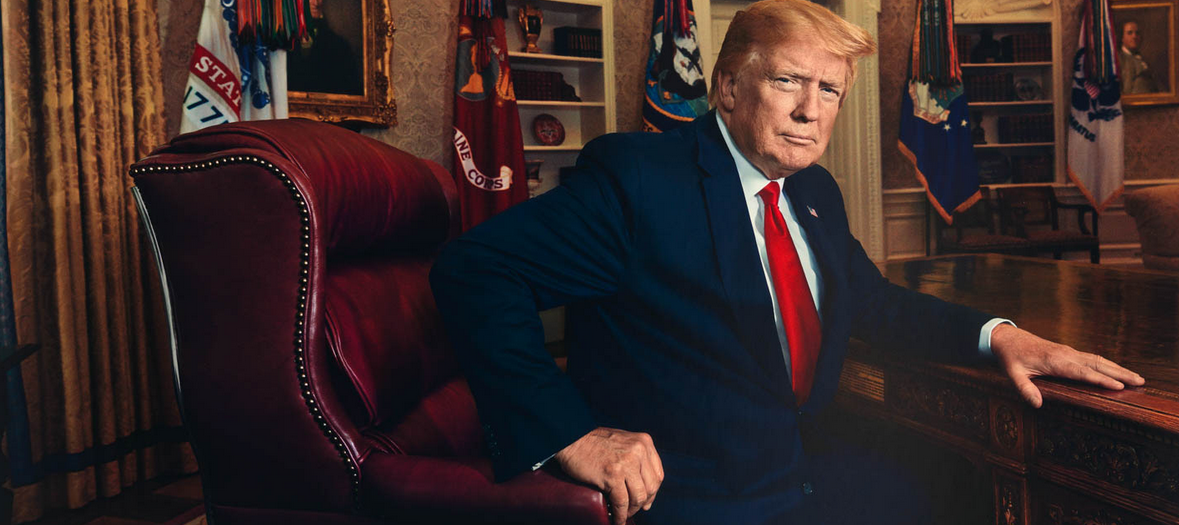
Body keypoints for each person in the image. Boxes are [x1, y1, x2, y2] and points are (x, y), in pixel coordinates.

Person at [430, 1, 1144, 523]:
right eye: (787, 81)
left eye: (829, 90)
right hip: (694, 498)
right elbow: (474, 270)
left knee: (966, 496)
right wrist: (571, 434)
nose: (811, 110)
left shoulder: (812, 190)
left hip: (801, 470)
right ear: (728, 87)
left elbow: (873, 303)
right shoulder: (639, 179)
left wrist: (1001, 335)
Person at [1120, 21, 1159, 94]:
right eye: (1130, 33)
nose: (1134, 36)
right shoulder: (1118, 60)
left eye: (1137, 33)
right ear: (1122, 38)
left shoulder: (1145, 60)